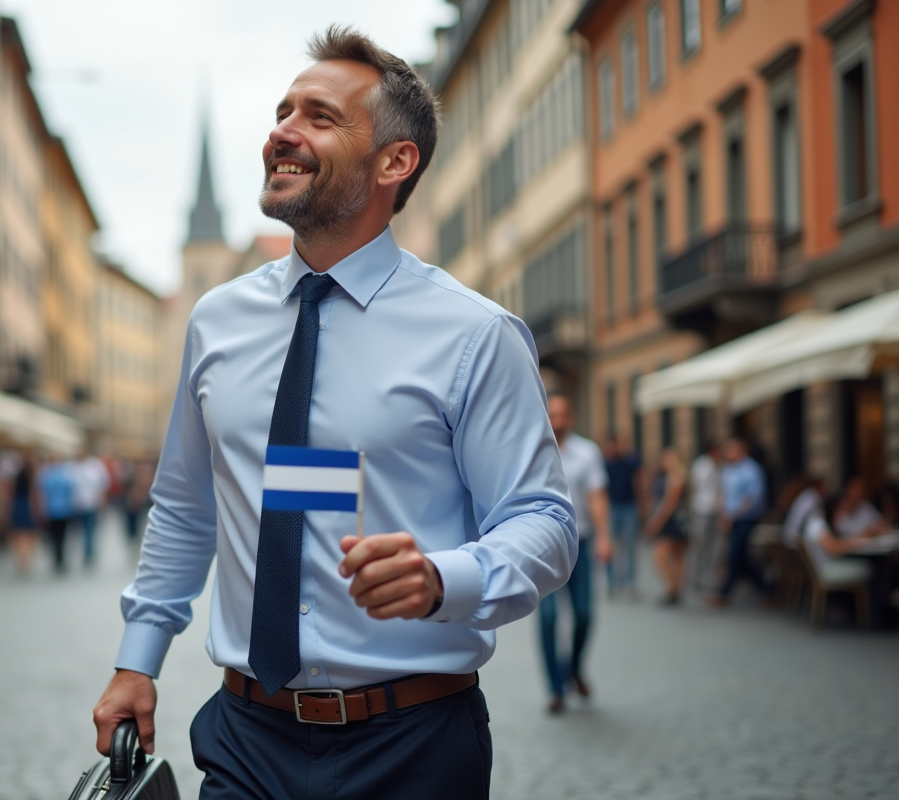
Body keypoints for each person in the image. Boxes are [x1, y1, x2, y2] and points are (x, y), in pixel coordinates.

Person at [91, 27, 576, 800]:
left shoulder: (474, 334)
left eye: (319, 116)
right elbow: (186, 506)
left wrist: (443, 578)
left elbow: (545, 522)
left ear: (395, 161)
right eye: (283, 110)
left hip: (411, 746)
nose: (282, 130)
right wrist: (135, 659)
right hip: (245, 739)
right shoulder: (216, 322)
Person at [539, 394, 611, 713]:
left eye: (563, 414)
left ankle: (574, 668)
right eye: (552, 414)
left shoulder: (587, 452)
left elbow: (597, 496)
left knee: (584, 614)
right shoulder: (533, 451)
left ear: (571, 417)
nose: (557, 420)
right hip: (544, 547)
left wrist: (606, 535)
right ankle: (555, 689)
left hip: (581, 543)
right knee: (549, 618)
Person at [709, 440, 768, 606]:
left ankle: (724, 592)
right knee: (740, 557)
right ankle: (767, 588)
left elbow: (751, 498)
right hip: (730, 518)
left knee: (735, 554)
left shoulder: (752, 470)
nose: (729, 453)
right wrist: (722, 514)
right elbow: (722, 492)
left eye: (732, 450)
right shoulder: (729, 469)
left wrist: (732, 515)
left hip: (746, 518)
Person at [645, 449, 688, 606]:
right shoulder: (668, 475)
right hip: (676, 521)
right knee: (677, 557)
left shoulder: (676, 476)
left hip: (673, 522)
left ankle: (672, 588)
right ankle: (676, 589)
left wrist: (657, 522)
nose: (665, 461)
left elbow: (670, 503)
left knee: (660, 556)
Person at [802, 493, 873, 585]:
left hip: (823, 567)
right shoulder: (818, 523)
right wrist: (858, 543)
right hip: (823, 570)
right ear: (834, 508)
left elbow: (840, 540)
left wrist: (860, 537)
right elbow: (833, 548)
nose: (843, 513)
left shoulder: (820, 521)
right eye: (842, 509)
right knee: (868, 567)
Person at [602, 437, 642, 598]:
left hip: (629, 507)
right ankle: (611, 582)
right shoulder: (603, 464)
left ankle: (629, 583)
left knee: (630, 546)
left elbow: (639, 482)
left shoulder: (630, 462)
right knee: (609, 546)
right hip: (611, 508)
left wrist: (643, 506)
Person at [688, 440, 722, 592]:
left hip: (706, 508)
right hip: (704, 508)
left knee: (707, 543)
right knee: (703, 542)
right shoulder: (707, 465)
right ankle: (697, 574)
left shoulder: (705, 465)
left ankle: (702, 574)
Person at [37, 455, 75, 574]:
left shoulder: (46, 475)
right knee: (63, 536)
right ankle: (61, 559)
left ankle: (56, 560)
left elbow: (42, 493)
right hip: (64, 509)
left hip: (51, 510)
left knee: (53, 537)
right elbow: (71, 491)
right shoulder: (65, 475)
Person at [71, 451, 110, 566]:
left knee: (90, 530)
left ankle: (88, 554)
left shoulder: (95, 465)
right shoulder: (73, 466)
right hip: (77, 505)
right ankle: (80, 553)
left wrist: (102, 501)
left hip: (92, 504)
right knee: (77, 532)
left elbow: (103, 484)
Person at [8, 456, 39, 576]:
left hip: (17, 504)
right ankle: (26, 560)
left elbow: (10, 491)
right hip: (27, 505)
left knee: (18, 533)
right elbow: (33, 493)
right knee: (28, 534)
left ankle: (21, 561)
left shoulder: (17, 475)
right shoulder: (31, 477)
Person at [782, 477, 825, 548]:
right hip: (794, 539)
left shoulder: (806, 495)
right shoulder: (813, 497)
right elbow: (817, 519)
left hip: (790, 535)